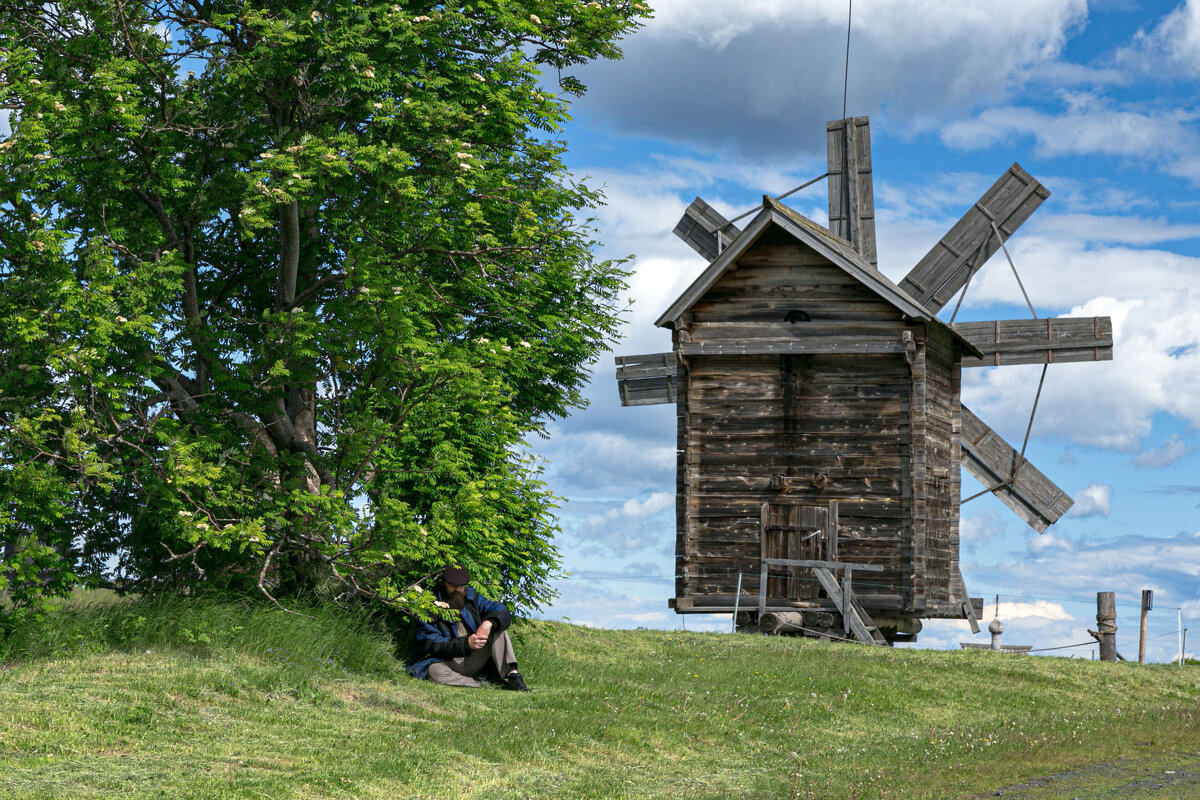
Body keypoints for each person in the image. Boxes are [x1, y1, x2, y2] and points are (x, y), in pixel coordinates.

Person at [407, 564, 530, 691]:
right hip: (446, 662)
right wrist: (465, 644)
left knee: (498, 628)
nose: (458, 589)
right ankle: (483, 683)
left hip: (473, 658)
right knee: (435, 672)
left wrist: (487, 624)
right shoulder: (428, 605)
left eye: (462, 585)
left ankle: (513, 676)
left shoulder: (472, 598)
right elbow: (431, 642)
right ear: (444, 583)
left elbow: (501, 611)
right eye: (453, 585)